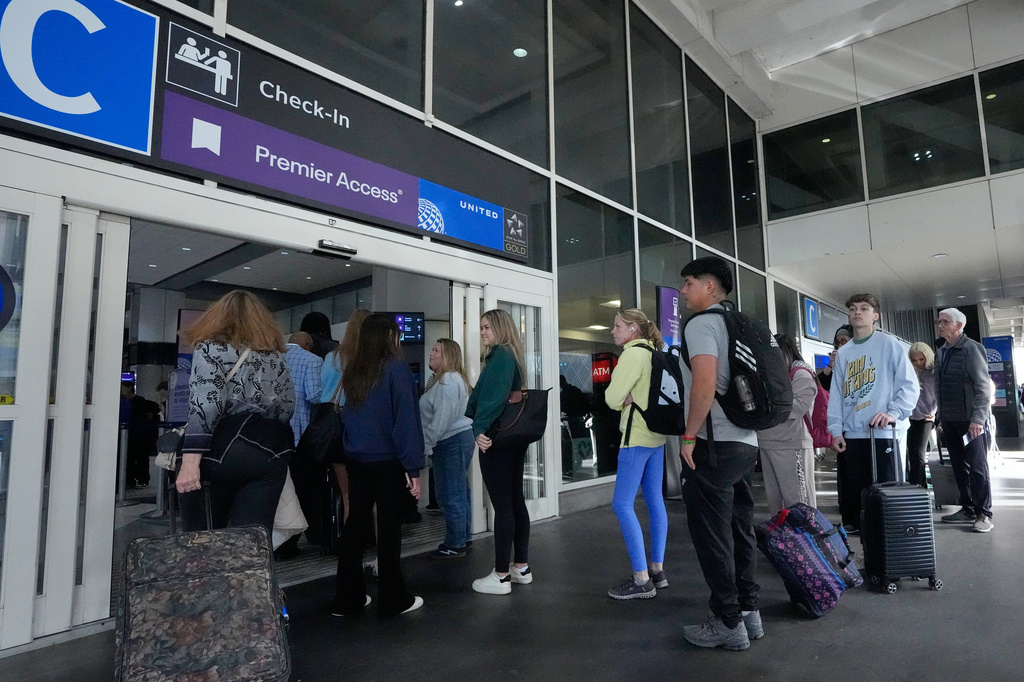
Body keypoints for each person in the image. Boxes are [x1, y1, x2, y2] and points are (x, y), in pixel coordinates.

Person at [676, 256, 761, 651]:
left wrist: (689, 435)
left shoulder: (702, 323)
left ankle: (727, 622)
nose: (683, 290)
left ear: (710, 287)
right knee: (740, 527)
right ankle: (748, 612)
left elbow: (704, 382)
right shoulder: (736, 321)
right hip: (746, 441)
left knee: (712, 534)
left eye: (689, 283)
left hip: (715, 444)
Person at [177, 290, 296, 536]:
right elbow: (286, 408)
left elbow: (206, 405)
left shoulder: (210, 349)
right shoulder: (275, 356)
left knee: (203, 539)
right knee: (252, 542)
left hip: (220, 453)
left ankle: (207, 575)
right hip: (268, 452)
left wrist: (189, 463)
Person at [332, 314, 424, 617]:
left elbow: (348, 417)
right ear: (389, 336)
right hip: (387, 461)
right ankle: (393, 598)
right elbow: (406, 422)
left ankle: (348, 598)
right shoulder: (397, 370)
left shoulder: (354, 370)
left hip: (355, 459)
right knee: (388, 528)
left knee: (355, 524)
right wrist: (413, 469)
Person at [826, 293, 918, 534]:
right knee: (861, 500)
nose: (858, 312)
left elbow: (909, 385)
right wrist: (835, 430)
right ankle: (872, 556)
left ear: (875, 316)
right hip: (854, 435)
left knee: (886, 497)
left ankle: (891, 553)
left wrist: (894, 412)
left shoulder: (888, 344)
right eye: (853, 308)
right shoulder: (844, 353)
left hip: (884, 434)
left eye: (864, 308)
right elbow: (836, 394)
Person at [603, 309, 669, 600]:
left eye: (618, 326)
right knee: (655, 500)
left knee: (622, 504)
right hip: (657, 436)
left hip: (636, 437)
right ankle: (657, 569)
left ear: (633, 329)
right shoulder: (655, 352)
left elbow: (611, 398)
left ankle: (641, 579)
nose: (613, 331)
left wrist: (624, 400)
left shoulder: (631, 356)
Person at [467, 309, 534, 595]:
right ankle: (520, 567)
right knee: (515, 501)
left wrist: (479, 429)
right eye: (481, 327)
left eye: (487, 327)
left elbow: (493, 398)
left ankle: (501, 575)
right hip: (513, 440)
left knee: (503, 505)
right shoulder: (512, 355)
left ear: (500, 328)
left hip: (496, 439)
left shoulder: (501, 356)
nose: (482, 332)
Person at [935, 308, 994, 533]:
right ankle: (967, 507)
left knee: (977, 467)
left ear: (959, 325)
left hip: (971, 422)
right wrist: (941, 417)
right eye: (939, 321)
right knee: (959, 466)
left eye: (945, 322)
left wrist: (978, 419)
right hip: (950, 421)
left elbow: (983, 387)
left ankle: (984, 513)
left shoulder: (971, 349)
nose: (940, 325)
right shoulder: (942, 351)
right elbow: (939, 387)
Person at [420, 339, 475, 559]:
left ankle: (455, 542)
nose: (431, 353)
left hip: (450, 440)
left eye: (436, 350)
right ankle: (462, 537)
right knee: (459, 491)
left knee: (450, 493)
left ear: (447, 356)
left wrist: (427, 442)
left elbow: (443, 417)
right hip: (455, 440)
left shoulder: (448, 380)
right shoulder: (444, 380)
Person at [757, 333, 818, 513]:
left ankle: (806, 538)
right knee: (775, 501)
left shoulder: (800, 374)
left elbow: (798, 406)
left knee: (799, 501)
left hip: (792, 443)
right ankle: (783, 539)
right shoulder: (772, 374)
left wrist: (768, 403)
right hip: (768, 441)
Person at [277, 331, 324, 559]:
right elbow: (314, 395)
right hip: (301, 436)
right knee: (303, 488)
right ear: (307, 344)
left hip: (274, 438)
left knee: (280, 491)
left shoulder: (273, 356)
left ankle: (278, 541)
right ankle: (298, 540)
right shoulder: (312, 360)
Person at [321, 308, 371, 523]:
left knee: (348, 496)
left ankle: (351, 549)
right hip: (367, 435)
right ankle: (379, 548)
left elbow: (322, 395)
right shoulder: (373, 360)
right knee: (374, 497)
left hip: (337, 434)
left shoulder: (333, 358)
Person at [906, 342, 937, 488]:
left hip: (926, 417)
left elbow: (939, 395)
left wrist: (934, 412)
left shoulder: (934, 372)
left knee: (918, 452)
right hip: (909, 416)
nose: (918, 363)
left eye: (921, 359)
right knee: (912, 451)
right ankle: (917, 484)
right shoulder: (909, 371)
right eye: (914, 360)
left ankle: (917, 485)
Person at [121, 382, 160, 488]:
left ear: (129, 388)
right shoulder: (125, 401)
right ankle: (131, 479)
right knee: (131, 457)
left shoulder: (137, 401)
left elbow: (146, 416)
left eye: (123, 387)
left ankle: (142, 479)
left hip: (139, 433)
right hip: (132, 433)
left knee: (140, 456)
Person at [817, 324, 853, 392]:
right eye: (837, 342)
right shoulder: (837, 365)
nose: (840, 345)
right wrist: (830, 364)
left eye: (843, 341)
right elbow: (821, 385)